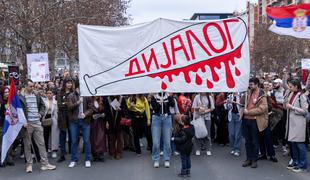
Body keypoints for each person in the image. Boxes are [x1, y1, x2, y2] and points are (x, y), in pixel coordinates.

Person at [19, 79, 56, 173]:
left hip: (37, 123)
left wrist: (40, 114)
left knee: (42, 144)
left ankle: (45, 164)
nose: (32, 88)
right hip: (27, 124)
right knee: (27, 145)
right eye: (30, 86)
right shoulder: (20, 97)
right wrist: (22, 121)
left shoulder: (36, 95)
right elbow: (18, 111)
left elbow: (43, 106)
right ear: (26, 86)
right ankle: (29, 165)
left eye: (33, 86)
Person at [240, 77, 268, 169]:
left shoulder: (262, 94)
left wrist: (250, 112)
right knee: (247, 141)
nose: (250, 86)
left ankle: (254, 160)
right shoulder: (248, 92)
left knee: (255, 141)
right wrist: (244, 95)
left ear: (256, 84)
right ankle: (248, 158)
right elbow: (241, 103)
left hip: (255, 120)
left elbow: (263, 108)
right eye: (249, 84)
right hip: (246, 119)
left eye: (251, 84)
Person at [285, 79, 308, 172]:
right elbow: (286, 106)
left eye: (291, 86)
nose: (289, 88)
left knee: (299, 144)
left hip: (299, 124)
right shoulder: (291, 94)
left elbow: (305, 111)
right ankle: (296, 162)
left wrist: (293, 107)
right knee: (293, 144)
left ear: (296, 86)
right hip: (291, 123)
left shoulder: (301, 96)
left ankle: (302, 165)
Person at [67, 87, 92, 168]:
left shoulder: (87, 95)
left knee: (87, 140)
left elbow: (91, 109)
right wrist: (78, 102)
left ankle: (87, 159)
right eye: (78, 87)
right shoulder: (71, 95)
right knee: (74, 141)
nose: (80, 89)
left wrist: (85, 114)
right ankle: (73, 159)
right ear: (76, 87)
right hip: (74, 121)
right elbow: (70, 107)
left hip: (85, 121)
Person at [151, 92, 175, 168]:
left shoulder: (168, 95)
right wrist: (160, 102)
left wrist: (169, 96)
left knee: (167, 141)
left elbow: (172, 104)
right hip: (156, 118)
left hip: (167, 118)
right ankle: (156, 159)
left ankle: (167, 159)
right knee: (156, 142)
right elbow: (155, 108)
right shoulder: (154, 96)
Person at [56, 78, 74, 163]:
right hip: (62, 116)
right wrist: (68, 104)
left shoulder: (73, 93)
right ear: (65, 84)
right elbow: (59, 105)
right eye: (68, 83)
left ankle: (71, 152)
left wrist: (66, 103)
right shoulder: (60, 92)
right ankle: (62, 154)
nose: (69, 85)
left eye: (70, 83)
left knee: (72, 134)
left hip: (71, 116)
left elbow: (74, 105)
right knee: (62, 134)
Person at [42, 89, 59, 159]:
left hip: (54, 120)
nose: (49, 94)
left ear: (53, 94)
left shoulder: (56, 102)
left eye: (50, 93)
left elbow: (57, 112)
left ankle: (54, 150)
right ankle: (46, 150)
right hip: (45, 119)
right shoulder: (44, 101)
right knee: (45, 135)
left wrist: (57, 121)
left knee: (54, 136)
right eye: (48, 93)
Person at [225, 92, 243, 156]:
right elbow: (226, 108)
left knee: (237, 134)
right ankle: (232, 148)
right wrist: (228, 103)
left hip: (239, 115)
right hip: (231, 116)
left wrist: (236, 103)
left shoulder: (241, 95)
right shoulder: (229, 96)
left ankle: (237, 149)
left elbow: (244, 105)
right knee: (231, 134)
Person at [90, 96, 107, 162]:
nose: (97, 95)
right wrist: (92, 116)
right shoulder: (90, 101)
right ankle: (95, 155)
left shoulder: (101, 101)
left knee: (101, 138)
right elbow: (88, 111)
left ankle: (101, 154)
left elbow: (105, 111)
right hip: (93, 122)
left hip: (100, 122)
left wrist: (103, 114)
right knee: (93, 138)